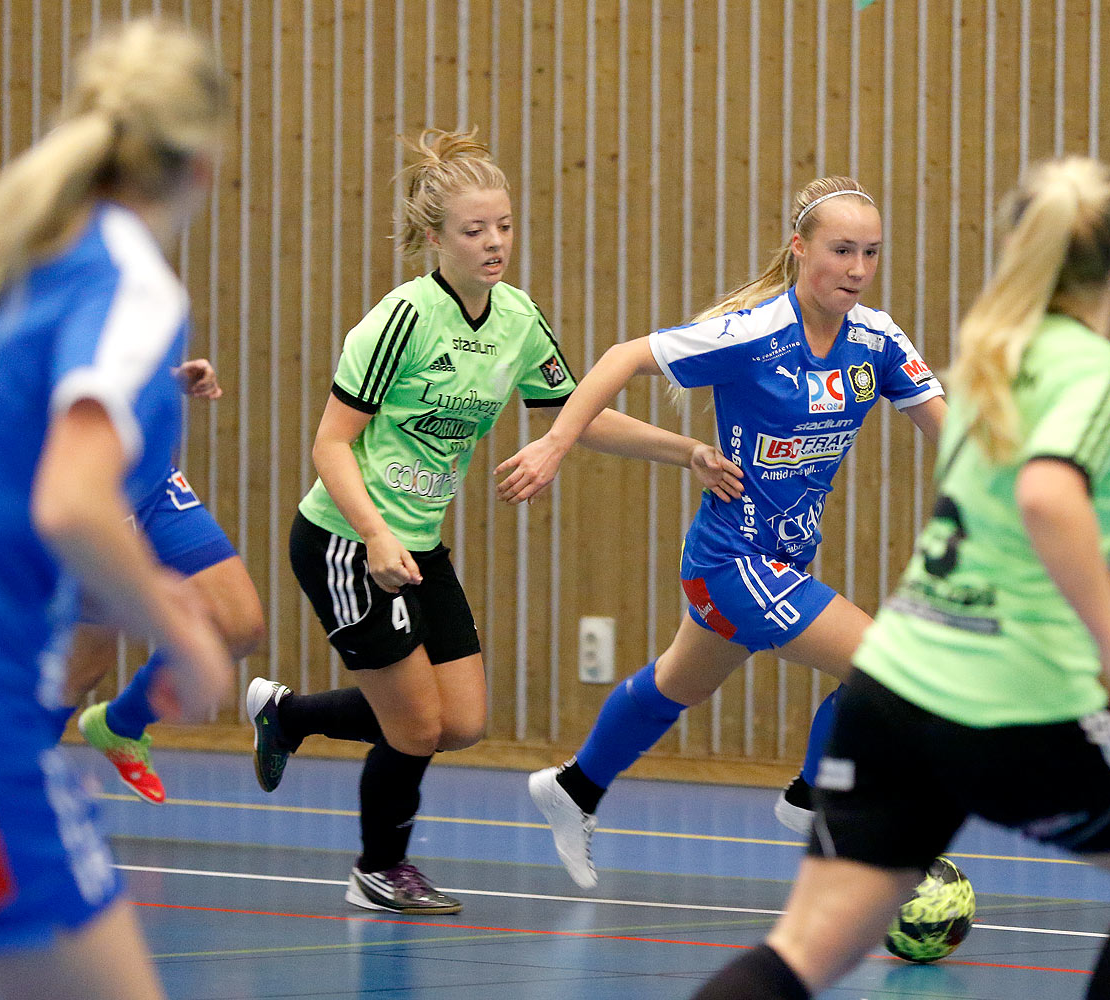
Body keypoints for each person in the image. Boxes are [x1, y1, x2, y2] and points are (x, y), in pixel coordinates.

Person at [689, 157, 1110, 1000]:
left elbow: (1046, 523)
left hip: (893, 690)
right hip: (1010, 698)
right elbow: (1048, 498)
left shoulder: (988, 359)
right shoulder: (1105, 373)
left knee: (806, 951)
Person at [244, 127, 745, 916]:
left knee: (463, 722)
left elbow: (572, 416)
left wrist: (686, 451)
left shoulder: (516, 318)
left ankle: (289, 714)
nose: (494, 243)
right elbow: (329, 443)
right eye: (475, 231)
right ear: (435, 237)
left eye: (504, 226)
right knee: (412, 727)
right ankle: (379, 868)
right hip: (348, 539)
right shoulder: (401, 320)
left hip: (417, 545)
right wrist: (374, 533)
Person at [497, 176, 949, 889]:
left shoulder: (877, 340)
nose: (858, 269)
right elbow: (623, 357)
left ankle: (575, 788)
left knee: (677, 683)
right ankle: (812, 803)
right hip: (733, 561)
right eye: (841, 250)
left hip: (785, 557)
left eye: (871, 252)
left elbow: (952, 436)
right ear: (800, 250)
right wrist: (557, 442)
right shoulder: (756, 334)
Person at [0, 19, 233, 1000]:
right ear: (203, 162)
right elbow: (72, 501)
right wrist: (179, 627)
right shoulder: (126, 282)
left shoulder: (13, 261)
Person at [67, 357, 265, 804]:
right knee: (81, 667)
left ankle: (119, 726)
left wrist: (166, 378)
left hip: (149, 479)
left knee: (238, 625)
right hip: (81, 484)